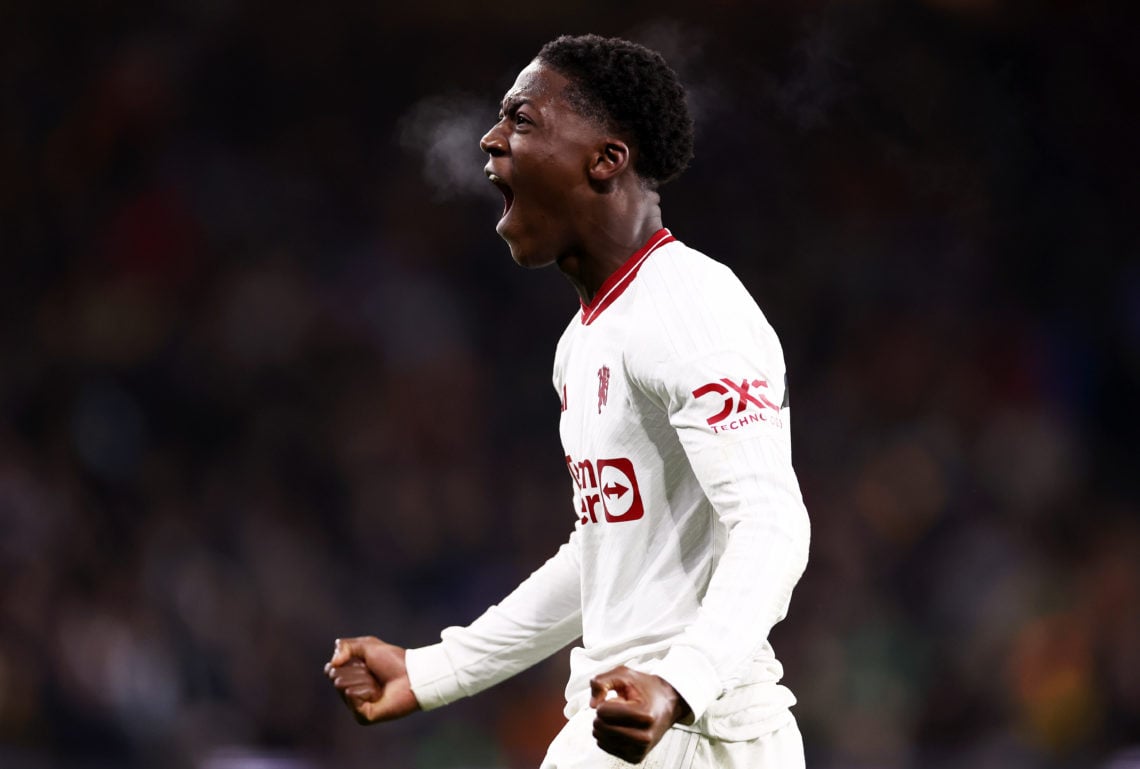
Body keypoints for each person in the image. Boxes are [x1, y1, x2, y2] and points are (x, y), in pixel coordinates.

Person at [325, 33, 811, 768]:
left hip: (700, 737)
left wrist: (679, 681)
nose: (490, 140)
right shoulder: (583, 341)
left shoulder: (691, 308)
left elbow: (773, 523)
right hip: (630, 725)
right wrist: (435, 671)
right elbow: (603, 555)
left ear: (606, 158)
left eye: (521, 120)